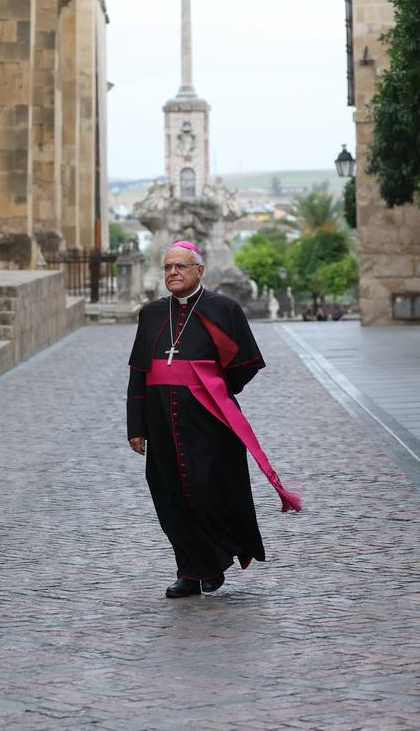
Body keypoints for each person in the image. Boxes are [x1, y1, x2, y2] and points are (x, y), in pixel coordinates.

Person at [127, 241, 301, 599]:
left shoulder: (224, 308)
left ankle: (214, 560)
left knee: (208, 492)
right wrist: (136, 426)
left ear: (199, 271)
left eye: (180, 266)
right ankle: (190, 573)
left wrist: (216, 390)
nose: (172, 273)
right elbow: (138, 373)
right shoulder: (152, 314)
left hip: (209, 423)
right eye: (167, 267)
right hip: (161, 423)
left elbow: (247, 363)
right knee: (170, 498)